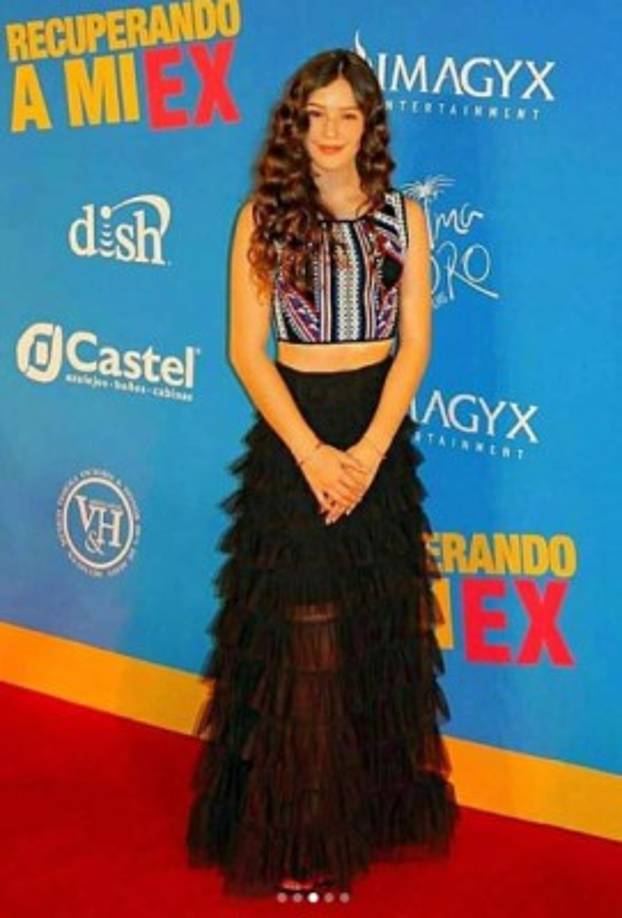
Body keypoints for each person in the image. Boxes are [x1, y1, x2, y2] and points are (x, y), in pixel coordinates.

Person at [186, 47, 460, 901]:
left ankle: (364, 813)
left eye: (349, 115)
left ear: (369, 125)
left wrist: (369, 453)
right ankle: (302, 831)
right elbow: (247, 351)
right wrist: (313, 455)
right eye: (318, 115)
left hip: (376, 437)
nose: (332, 131)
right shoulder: (262, 218)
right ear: (295, 124)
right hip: (296, 436)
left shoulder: (406, 218)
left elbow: (415, 344)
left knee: (372, 630)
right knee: (305, 636)